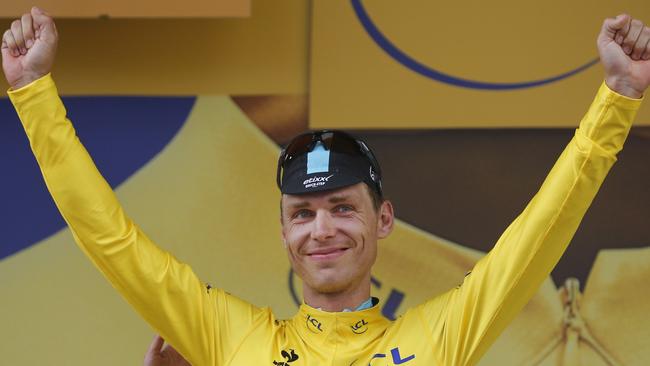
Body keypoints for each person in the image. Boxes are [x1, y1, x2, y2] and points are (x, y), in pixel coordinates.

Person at [3, 7, 649, 365]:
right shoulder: (231, 337)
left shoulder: (436, 337)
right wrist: (32, 93)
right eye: (304, 212)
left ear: (384, 218)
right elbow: (107, 236)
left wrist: (618, 97)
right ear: (283, 230)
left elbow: (541, 232)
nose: (323, 228)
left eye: (342, 207)